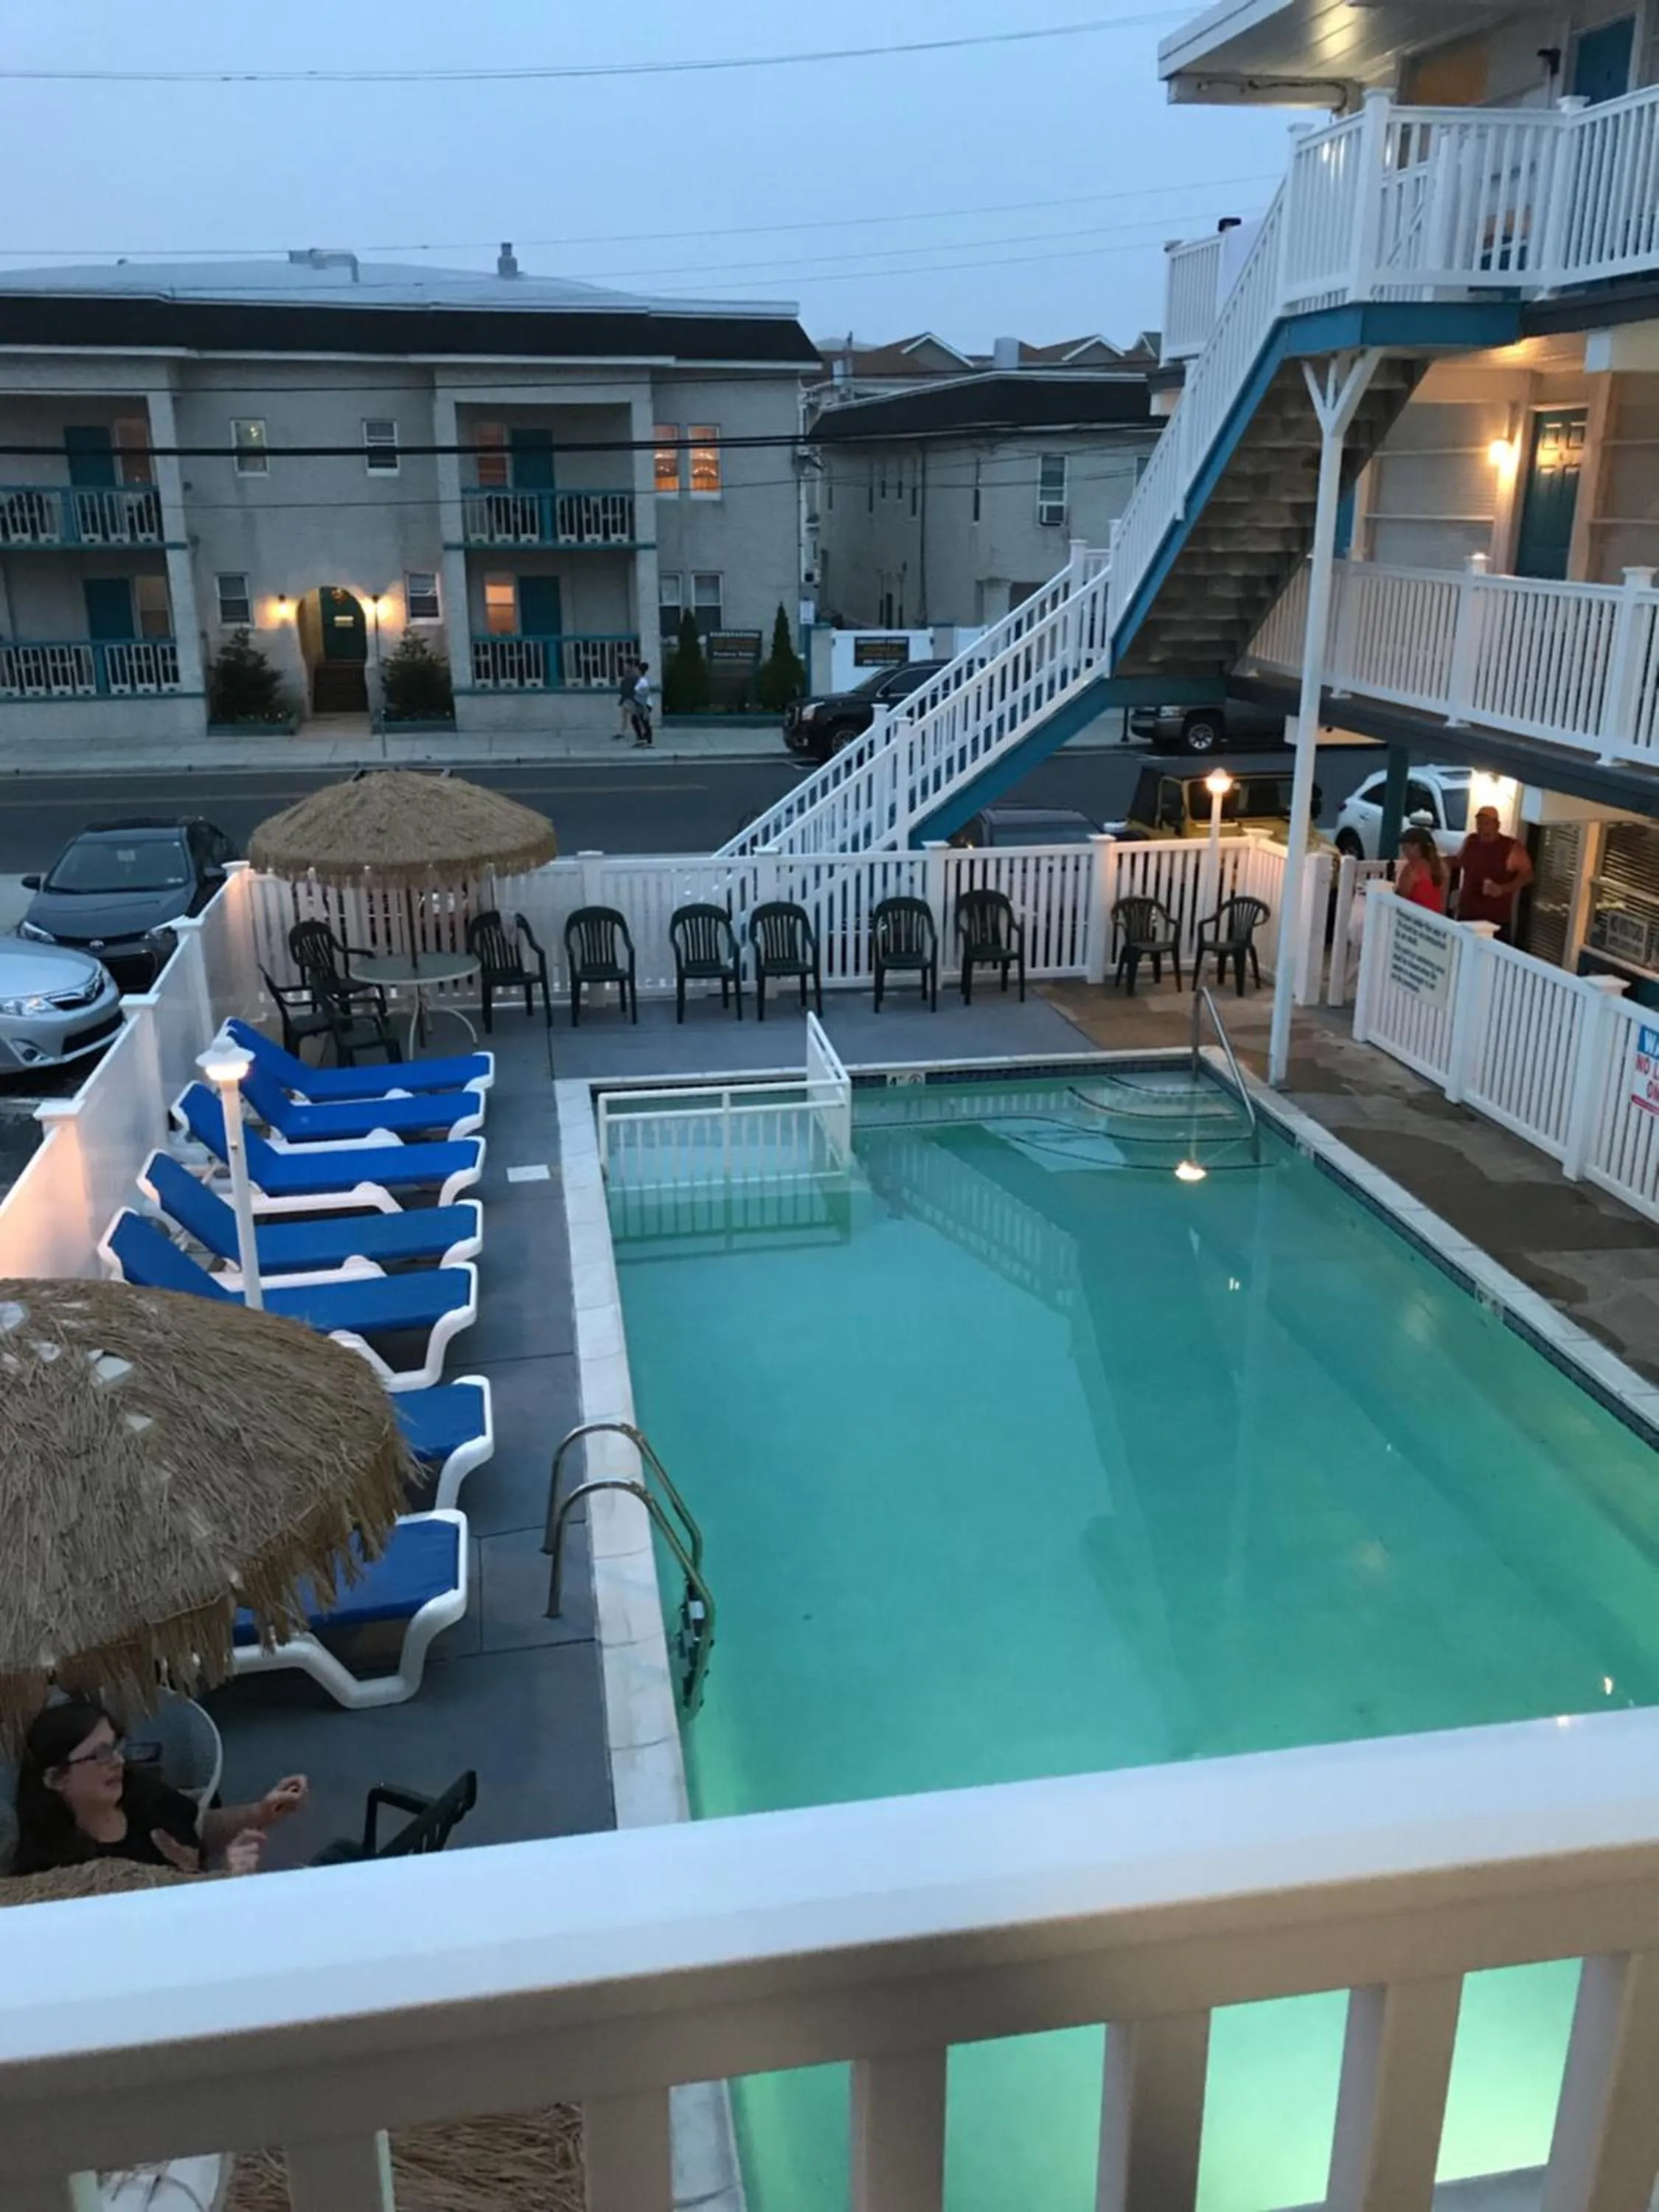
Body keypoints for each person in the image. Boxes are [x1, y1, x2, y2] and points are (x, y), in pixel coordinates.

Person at [9, 1697, 308, 1878]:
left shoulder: (136, 1790)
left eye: (115, 1747)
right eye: (99, 1755)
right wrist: (223, 1883)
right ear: (56, 1779)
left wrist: (259, 1813)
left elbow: (199, 1827)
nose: (117, 1761)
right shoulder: (55, 1873)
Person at [1455, 805, 1532, 937]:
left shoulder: (1510, 847)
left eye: (1486, 823)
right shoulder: (1471, 841)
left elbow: (1528, 875)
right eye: (1479, 823)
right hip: (1467, 915)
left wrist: (1503, 889)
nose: (1482, 827)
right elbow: (1459, 860)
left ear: (1497, 825)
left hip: (1495, 921)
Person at [1395, 825, 1448, 914]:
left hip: (1415, 916)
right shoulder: (1442, 866)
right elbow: (1443, 901)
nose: (1403, 850)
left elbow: (1402, 897)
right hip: (1436, 917)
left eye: (1405, 846)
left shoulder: (1412, 868)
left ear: (1416, 846)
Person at [630, 658, 655, 749]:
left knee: (645, 722)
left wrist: (645, 709)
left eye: (637, 670)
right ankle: (642, 739)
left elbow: (644, 696)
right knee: (636, 720)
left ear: (640, 671)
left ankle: (649, 741)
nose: (635, 671)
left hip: (645, 704)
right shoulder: (641, 680)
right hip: (640, 704)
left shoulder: (643, 682)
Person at [613, 655, 639, 742]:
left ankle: (640, 733)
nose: (624, 667)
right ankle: (623, 733)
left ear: (630, 665)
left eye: (626, 665)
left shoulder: (632, 676)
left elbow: (630, 688)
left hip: (630, 699)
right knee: (625, 717)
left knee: (634, 717)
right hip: (627, 699)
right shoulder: (630, 675)